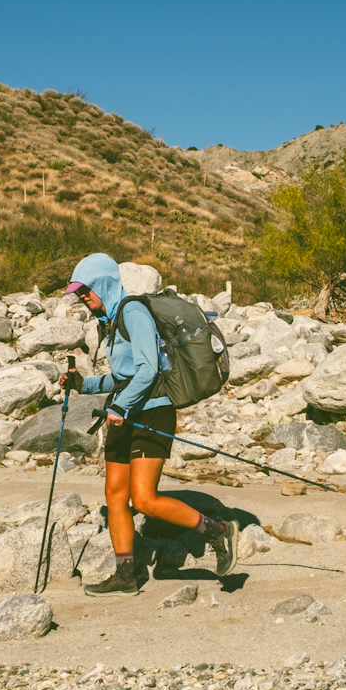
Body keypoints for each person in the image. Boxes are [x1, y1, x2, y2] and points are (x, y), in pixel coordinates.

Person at [58, 253, 238, 597]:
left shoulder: (133, 312)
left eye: (85, 290)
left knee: (143, 499)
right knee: (115, 496)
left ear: (102, 284)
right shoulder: (110, 322)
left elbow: (149, 369)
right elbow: (123, 378)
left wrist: (120, 406)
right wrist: (83, 385)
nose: (82, 297)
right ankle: (125, 575)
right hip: (123, 414)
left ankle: (218, 531)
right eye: (78, 293)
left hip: (153, 412)